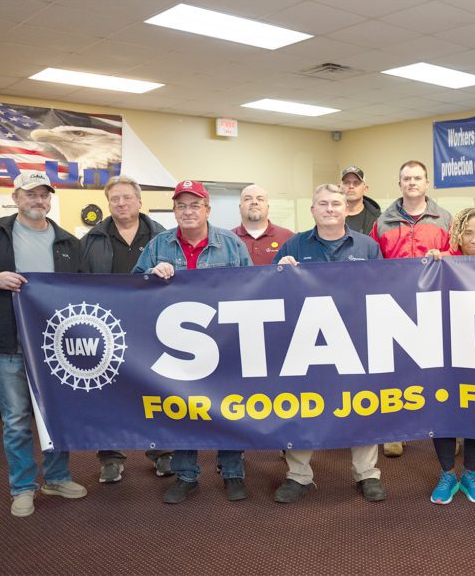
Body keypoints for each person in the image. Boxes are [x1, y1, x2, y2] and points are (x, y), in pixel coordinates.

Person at [0, 171, 87, 517]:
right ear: (16, 197)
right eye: (31, 194)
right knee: (16, 419)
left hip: (56, 344)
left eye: (44, 195)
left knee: (55, 415)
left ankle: (57, 477)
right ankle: (22, 487)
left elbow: (81, 288)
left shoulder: (67, 243)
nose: (38, 201)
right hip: (10, 342)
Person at [133, 180, 253, 504]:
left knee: (229, 408)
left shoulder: (230, 244)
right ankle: (186, 474)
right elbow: (132, 288)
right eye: (181, 206)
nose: (188, 211)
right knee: (184, 409)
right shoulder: (158, 245)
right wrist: (150, 276)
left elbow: (253, 288)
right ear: (174, 211)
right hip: (177, 347)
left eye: (194, 205)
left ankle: (232, 472)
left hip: (224, 342)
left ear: (207, 209)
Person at [271, 184, 387, 504]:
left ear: (347, 208)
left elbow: (385, 288)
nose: (330, 209)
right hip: (306, 339)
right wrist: (281, 272)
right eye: (323, 204)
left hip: (355, 337)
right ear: (313, 210)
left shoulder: (366, 246)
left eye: (336, 203)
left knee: (361, 403)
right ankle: (298, 475)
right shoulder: (294, 245)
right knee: (301, 404)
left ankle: (367, 474)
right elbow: (268, 287)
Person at [79, 174, 171, 483]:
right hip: (107, 328)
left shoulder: (163, 236)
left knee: (156, 389)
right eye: (115, 199)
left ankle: (161, 451)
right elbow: (78, 282)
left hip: (152, 326)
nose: (121, 203)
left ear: (140, 202)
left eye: (127, 197)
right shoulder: (92, 240)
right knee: (107, 393)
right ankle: (110, 457)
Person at [370, 160, 452, 457]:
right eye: (406, 178)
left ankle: (446, 428)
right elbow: (372, 261)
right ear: (400, 183)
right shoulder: (383, 221)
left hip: (434, 305)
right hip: (394, 306)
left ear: (427, 183)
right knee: (396, 372)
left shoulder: (444, 219)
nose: (412, 182)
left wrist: (442, 254)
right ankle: (396, 431)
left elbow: (455, 256)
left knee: (439, 371)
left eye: (417, 178)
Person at [426, 207, 475, 504]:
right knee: (445, 409)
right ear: (457, 234)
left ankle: (471, 473)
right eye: (468, 233)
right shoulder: (443, 262)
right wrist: (429, 263)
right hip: (446, 350)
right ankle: (446, 474)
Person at [232, 184, 294, 265]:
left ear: (268, 208)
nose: (254, 202)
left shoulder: (288, 237)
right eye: (247, 199)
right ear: (240, 208)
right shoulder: (228, 239)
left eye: (260, 199)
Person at [341, 166, 381, 234]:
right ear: (340, 188)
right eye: (346, 182)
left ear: (365, 188)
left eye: (356, 183)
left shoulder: (377, 219)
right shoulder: (332, 215)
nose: (351, 186)